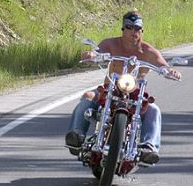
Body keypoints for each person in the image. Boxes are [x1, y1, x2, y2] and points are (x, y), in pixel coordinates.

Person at [64, 10, 181, 165]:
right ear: (123, 29)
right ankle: (76, 135)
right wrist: (92, 54)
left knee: (153, 109)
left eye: (137, 28)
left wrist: (169, 70)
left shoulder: (148, 51)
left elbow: (162, 65)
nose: (134, 31)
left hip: (134, 94)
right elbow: (98, 51)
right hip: (109, 89)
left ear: (142, 30)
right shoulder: (111, 44)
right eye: (129, 27)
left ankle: (148, 147)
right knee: (88, 96)